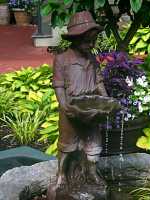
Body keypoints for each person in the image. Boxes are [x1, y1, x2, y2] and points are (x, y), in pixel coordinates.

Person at [52, 11, 108, 187]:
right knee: (67, 145)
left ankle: (91, 173)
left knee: (93, 144)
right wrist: (64, 106)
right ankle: (61, 174)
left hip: (91, 108)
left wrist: (105, 100)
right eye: (87, 41)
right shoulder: (62, 59)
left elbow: (99, 81)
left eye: (93, 41)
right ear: (75, 39)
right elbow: (59, 85)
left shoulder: (92, 59)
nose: (91, 45)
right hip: (71, 108)